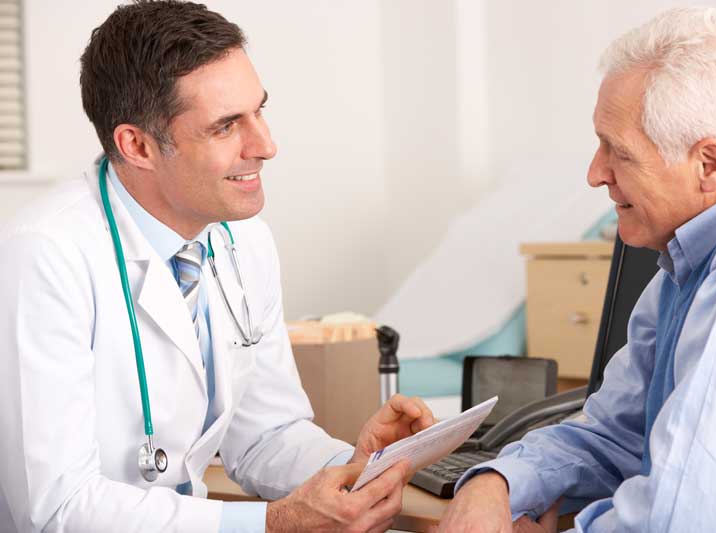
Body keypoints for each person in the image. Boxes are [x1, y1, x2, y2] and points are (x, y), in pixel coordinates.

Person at [0, 2, 434, 532]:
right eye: (227, 126)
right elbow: (57, 510)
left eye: (259, 111)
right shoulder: (44, 254)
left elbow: (265, 435)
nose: (266, 146)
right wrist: (272, 523)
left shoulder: (242, 239)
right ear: (136, 145)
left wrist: (351, 470)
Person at [438, 7, 716, 532]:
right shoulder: (687, 258)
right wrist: (498, 481)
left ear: (710, 165)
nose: (594, 173)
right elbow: (614, 435)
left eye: (619, 152)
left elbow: (685, 520)